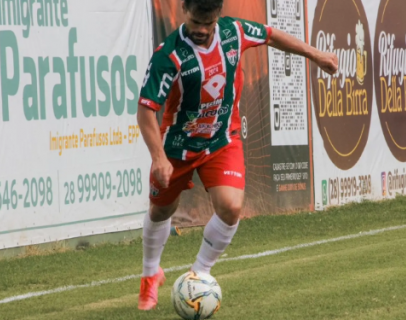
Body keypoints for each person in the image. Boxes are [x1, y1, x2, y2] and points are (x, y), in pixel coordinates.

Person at [136, 0, 338, 310]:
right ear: (184, 11)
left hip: (221, 139)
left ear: (218, 16)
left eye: (209, 23)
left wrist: (315, 54)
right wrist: (159, 157)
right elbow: (146, 109)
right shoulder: (169, 55)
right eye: (196, 22)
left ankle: (200, 275)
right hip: (177, 145)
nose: (202, 30)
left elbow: (271, 35)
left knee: (231, 207)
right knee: (161, 210)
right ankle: (150, 274)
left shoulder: (234, 32)